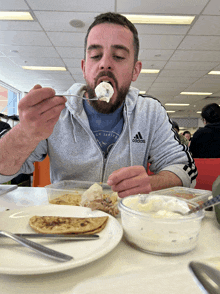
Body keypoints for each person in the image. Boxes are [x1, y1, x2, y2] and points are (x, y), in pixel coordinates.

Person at [0, 12, 197, 198]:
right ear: (85, 68)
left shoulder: (149, 112)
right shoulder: (57, 112)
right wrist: (25, 133)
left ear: (135, 71)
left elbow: (185, 170)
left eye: (119, 56)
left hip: (125, 219)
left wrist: (151, 183)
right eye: (95, 56)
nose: (105, 64)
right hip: (66, 220)